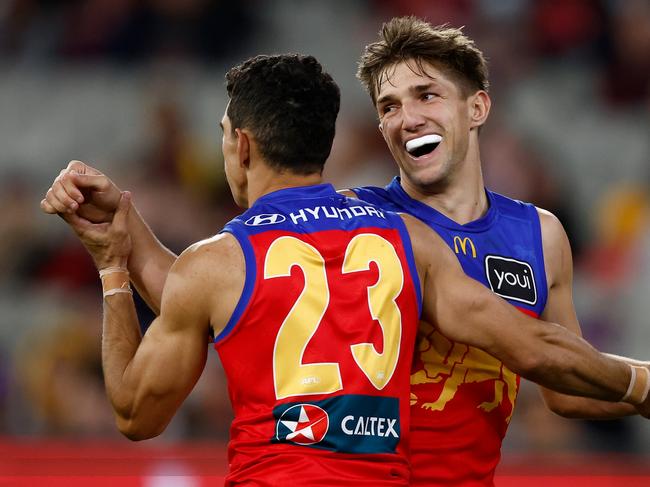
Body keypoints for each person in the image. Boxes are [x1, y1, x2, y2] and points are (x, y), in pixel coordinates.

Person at [41, 50, 650, 486]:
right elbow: (537, 345)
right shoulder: (403, 238)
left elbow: (134, 411)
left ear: (243, 145)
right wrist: (642, 385)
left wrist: (113, 269)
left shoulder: (215, 263)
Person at [349, 16, 650, 486]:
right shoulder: (356, 220)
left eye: (427, 95)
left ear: (477, 108)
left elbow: (566, 391)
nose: (407, 119)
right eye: (389, 107)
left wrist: (640, 389)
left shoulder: (541, 235)